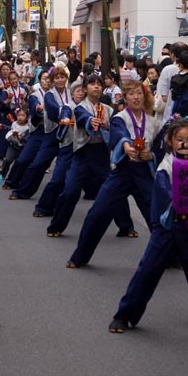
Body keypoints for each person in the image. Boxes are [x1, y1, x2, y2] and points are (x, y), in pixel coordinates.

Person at [108, 120, 188, 335]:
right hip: (167, 227)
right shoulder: (165, 167)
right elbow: (165, 195)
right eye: (180, 140)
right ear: (170, 142)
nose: (185, 144)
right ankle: (124, 315)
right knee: (147, 272)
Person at [67, 81, 158, 268]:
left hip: (144, 174)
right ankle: (80, 256)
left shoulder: (154, 122)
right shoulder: (120, 117)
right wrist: (126, 146)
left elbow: (162, 148)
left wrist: (152, 155)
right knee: (97, 214)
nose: (136, 97)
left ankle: (171, 257)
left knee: (158, 216)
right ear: (125, 98)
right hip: (122, 172)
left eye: (139, 93)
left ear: (145, 95)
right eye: (131, 94)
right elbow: (118, 133)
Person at [46, 74, 113, 237]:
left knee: (114, 190)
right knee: (70, 191)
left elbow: (116, 127)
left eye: (99, 84)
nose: (96, 86)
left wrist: (107, 124)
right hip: (83, 153)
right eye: (92, 84)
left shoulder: (108, 109)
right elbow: (83, 117)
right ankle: (56, 226)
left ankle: (126, 225)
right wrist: (91, 121)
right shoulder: (79, 107)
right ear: (84, 89)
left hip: (102, 154)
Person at [9, 65, 72, 200]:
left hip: (70, 134)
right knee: (37, 164)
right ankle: (22, 191)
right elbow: (50, 108)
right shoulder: (47, 95)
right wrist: (39, 111)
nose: (60, 80)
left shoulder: (71, 92)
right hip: (50, 132)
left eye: (62, 77)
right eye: (57, 77)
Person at [33, 79, 84, 218]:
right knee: (58, 179)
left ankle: (125, 225)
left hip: (88, 150)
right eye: (78, 91)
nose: (81, 93)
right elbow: (63, 113)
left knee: (107, 185)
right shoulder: (67, 106)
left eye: (83, 91)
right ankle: (44, 207)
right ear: (72, 93)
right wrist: (65, 119)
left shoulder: (91, 107)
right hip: (68, 147)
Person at [3, 69, 51, 190]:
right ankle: (11, 181)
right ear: (40, 80)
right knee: (23, 160)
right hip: (38, 130)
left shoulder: (55, 94)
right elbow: (35, 113)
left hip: (53, 131)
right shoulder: (35, 96)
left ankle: (26, 187)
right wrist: (42, 111)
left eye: (49, 78)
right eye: (45, 78)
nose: (47, 81)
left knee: (39, 164)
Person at [1, 107, 30, 178]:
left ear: (27, 117)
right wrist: (2, 126)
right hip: (13, 146)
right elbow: (10, 129)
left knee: (19, 163)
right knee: (7, 160)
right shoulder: (14, 124)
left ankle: (15, 177)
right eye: (18, 115)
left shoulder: (28, 127)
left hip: (23, 148)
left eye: (22, 116)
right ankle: (2, 174)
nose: (20, 117)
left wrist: (21, 138)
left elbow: (28, 138)